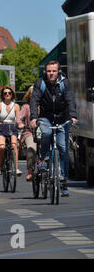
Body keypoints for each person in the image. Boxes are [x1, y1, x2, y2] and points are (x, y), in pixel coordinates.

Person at [30, 60, 77, 197]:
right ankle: (43, 159)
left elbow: (70, 99)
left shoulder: (64, 83)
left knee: (63, 149)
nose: (51, 73)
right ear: (46, 71)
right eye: (49, 71)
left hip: (63, 118)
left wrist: (73, 116)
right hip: (46, 116)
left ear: (58, 71)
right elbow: (34, 100)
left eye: (54, 71)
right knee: (46, 132)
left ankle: (63, 181)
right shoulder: (40, 83)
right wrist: (34, 117)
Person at [0, 86, 23, 177]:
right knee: (2, 147)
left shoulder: (16, 106)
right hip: (2, 126)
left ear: (12, 94)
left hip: (12, 127)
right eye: (5, 93)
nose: (7, 94)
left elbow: (18, 119)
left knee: (14, 145)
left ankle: (16, 168)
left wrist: (20, 124)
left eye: (9, 93)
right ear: (2, 95)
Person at [19, 86, 37, 182]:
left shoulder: (44, 105)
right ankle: (30, 171)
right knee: (31, 148)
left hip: (43, 132)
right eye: (32, 93)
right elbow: (19, 118)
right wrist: (20, 124)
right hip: (29, 132)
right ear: (29, 95)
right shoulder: (26, 107)